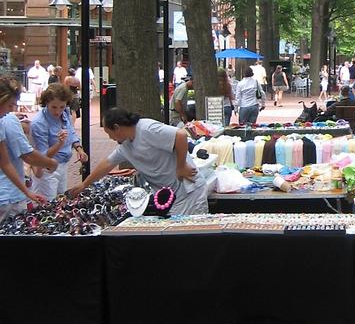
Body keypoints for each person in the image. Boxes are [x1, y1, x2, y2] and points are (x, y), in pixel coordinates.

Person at [70, 107, 208, 216]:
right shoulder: (124, 146)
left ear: (117, 127)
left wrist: (181, 165)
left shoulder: (147, 128)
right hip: (172, 196)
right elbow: (107, 163)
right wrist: (84, 185)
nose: (110, 138)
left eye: (109, 133)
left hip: (189, 192)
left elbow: (180, 135)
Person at [0, 76, 58, 220]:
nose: (11, 110)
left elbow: (5, 163)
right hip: (7, 197)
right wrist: (50, 163)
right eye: (9, 105)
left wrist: (27, 192)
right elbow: (24, 156)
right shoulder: (7, 120)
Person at [29, 84, 88, 199]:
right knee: (47, 203)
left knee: (61, 199)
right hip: (47, 169)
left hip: (63, 164)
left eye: (62, 106)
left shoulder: (65, 113)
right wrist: (59, 144)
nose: (58, 111)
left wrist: (79, 149)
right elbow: (43, 155)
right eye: (54, 107)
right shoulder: (39, 122)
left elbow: (71, 133)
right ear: (46, 103)